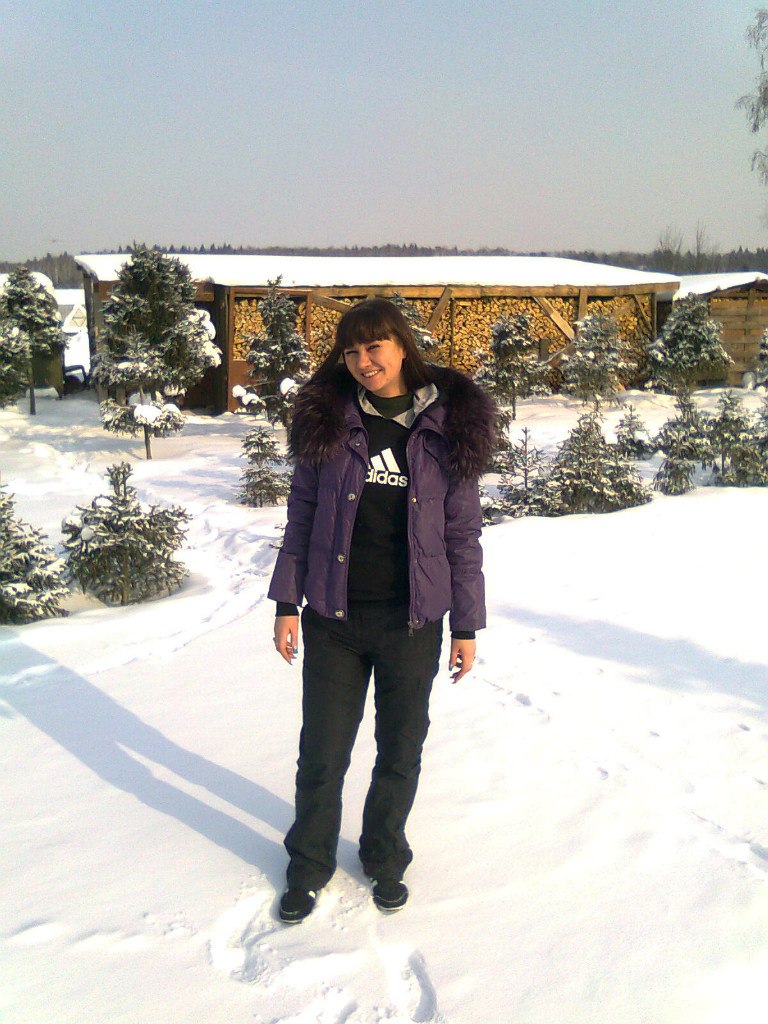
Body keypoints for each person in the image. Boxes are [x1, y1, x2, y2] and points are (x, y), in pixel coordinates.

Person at [268, 297, 496, 923]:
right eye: (351, 351)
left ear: (401, 346)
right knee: (322, 753)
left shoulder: (446, 426)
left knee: (400, 749)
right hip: (334, 620)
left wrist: (467, 625)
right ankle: (308, 864)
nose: (364, 362)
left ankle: (384, 855)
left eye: (374, 347)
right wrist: (287, 602)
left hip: (412, 623)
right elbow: (302, 516)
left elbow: (462, 535)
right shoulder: (328, 421)